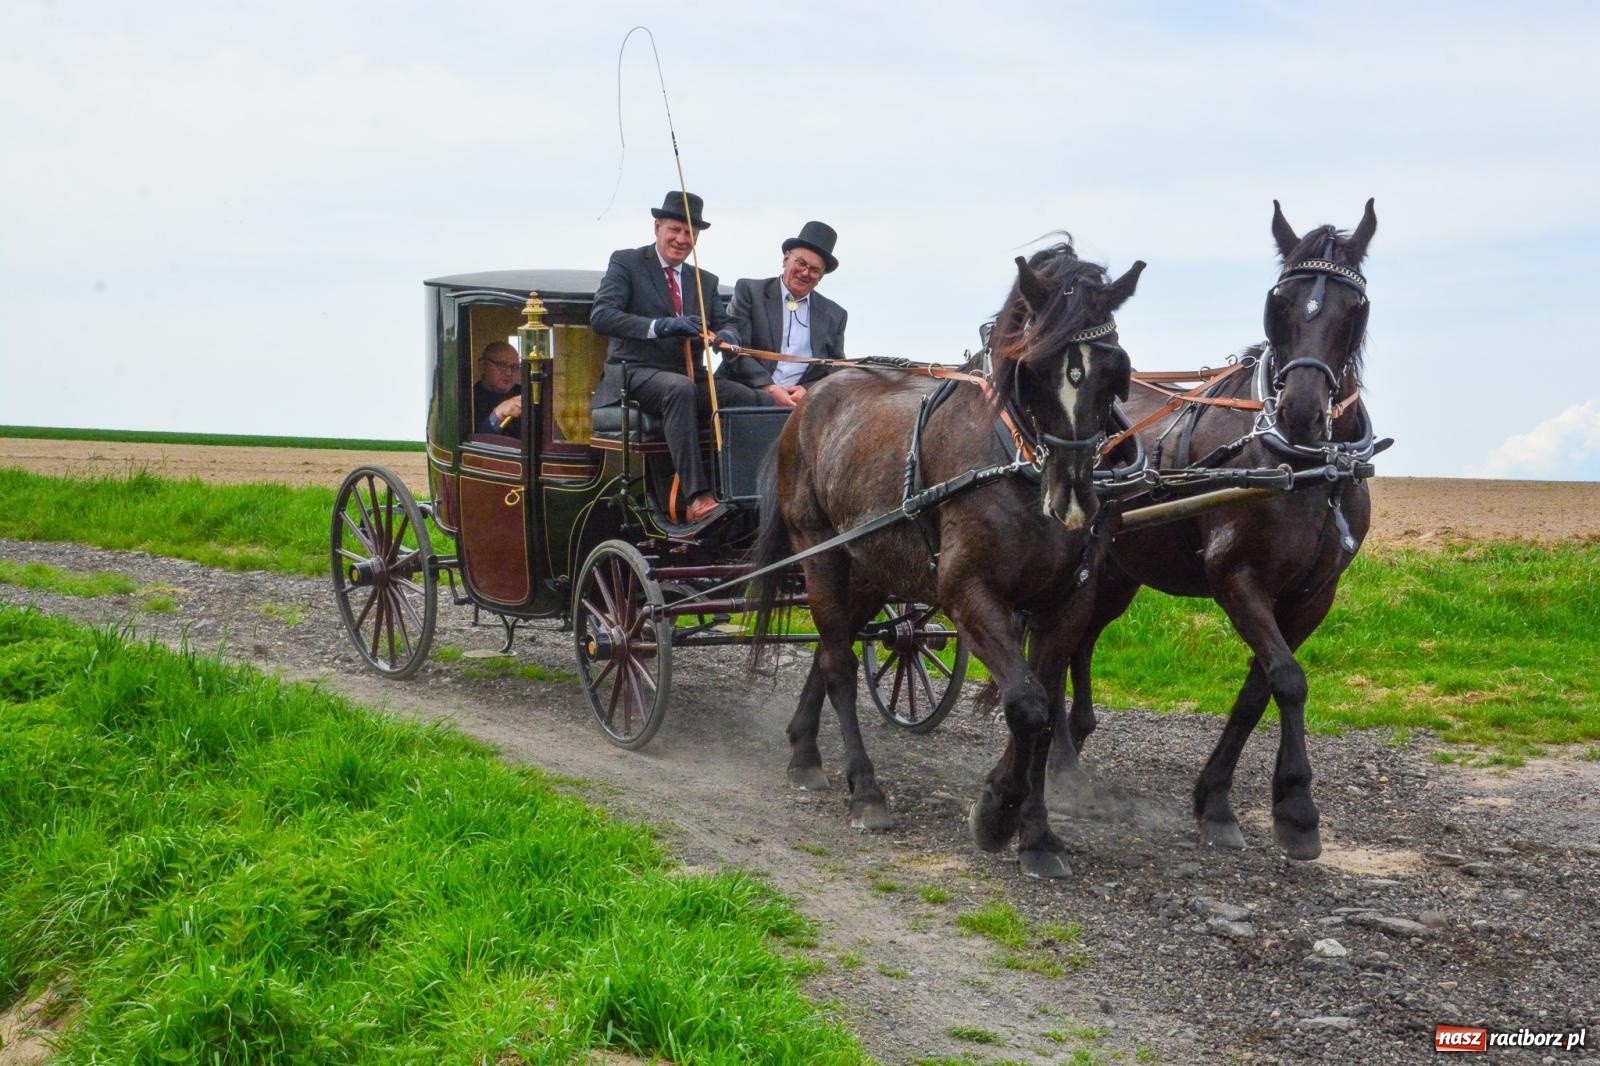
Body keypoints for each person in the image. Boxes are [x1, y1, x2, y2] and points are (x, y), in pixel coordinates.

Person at [590, 190, 762, 525]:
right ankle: (696, 497)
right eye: (676, 230)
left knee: (742, 396)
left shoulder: (704, 281)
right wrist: (660, 326)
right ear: (658, 227)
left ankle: (742, 489)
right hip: (634, 373)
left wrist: (727, 336)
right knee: (679, 389)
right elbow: (602, 317)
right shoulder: (626, 262)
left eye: (690, 234)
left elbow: (725, 322)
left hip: (683, 373)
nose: (681, 239)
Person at [717, 221, 847, 407]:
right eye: (801, 263)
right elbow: (735, 350)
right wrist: (768, 388)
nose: (804, 272)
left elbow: (836, 370)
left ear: (821, 277)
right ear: (786, 259)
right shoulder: (750, 291)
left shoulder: (834, 315)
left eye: (814, 270)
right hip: (750, 392)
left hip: (801, 404)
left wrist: (808, 391)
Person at [473, 340, 522, 436]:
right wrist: (497, 415)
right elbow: (472, 443)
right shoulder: (468, 400)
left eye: (514, 367)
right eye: (502, 365)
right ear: (482, 366)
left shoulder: (526, 395)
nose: (509, 373)